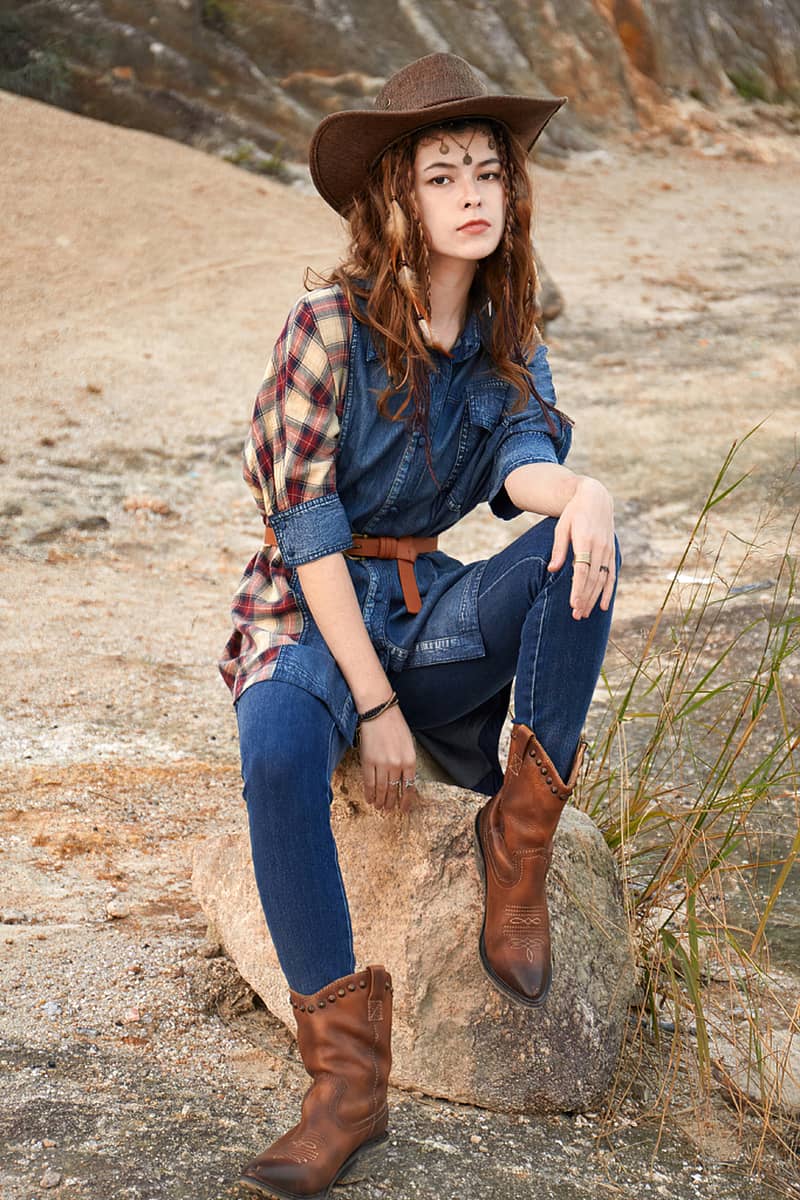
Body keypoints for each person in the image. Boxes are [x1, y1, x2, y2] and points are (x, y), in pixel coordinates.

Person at [220, 52, 619, 1200]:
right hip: (311, 609)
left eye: (485, 171)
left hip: (425, 603)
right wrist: (377, 704)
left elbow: (523, 464)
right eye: (442, 174)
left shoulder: (505, 331)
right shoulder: (326, 328)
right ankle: (344, 1090)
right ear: (395, 196)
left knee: (578, 549)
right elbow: (306, 530)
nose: (471, 194)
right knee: (279, 749)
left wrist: (581, 495)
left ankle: (518, 841)